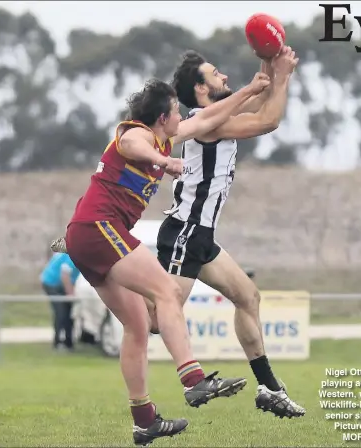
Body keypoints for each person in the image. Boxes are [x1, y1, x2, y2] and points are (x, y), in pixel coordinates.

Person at [52, 75, 271, 445]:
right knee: (167, 291)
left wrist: (250, 91)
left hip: (89, 236)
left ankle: (145, 421)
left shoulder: (166, 135)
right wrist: (162, 160)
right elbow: (131, 143)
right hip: (99, 228)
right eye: (175, 112)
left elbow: (207, 119)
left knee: (138, 326)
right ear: (161, 117)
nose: (181, 116)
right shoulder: (137, 134)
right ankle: (193, 379)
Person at [156, 47, 306, 420]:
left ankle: (270, 388)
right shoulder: (207, 121)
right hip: (185, 234)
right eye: (216, 74)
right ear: (202, 90)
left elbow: (262, 97)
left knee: (248, 297)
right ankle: (99, 259)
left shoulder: (216, 114)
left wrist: (269, 60)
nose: (224, 77)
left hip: (202, 237)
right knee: (155, 321)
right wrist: (283, 76)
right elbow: (268, 120)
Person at [40, 252, 80, 351]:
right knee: (61, 313)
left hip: (64, 284)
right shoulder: (74, 255)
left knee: (69, 313)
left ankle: (69, 342)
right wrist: (70, 293)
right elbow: (65, 275)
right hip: (51, 283)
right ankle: (57, 342)